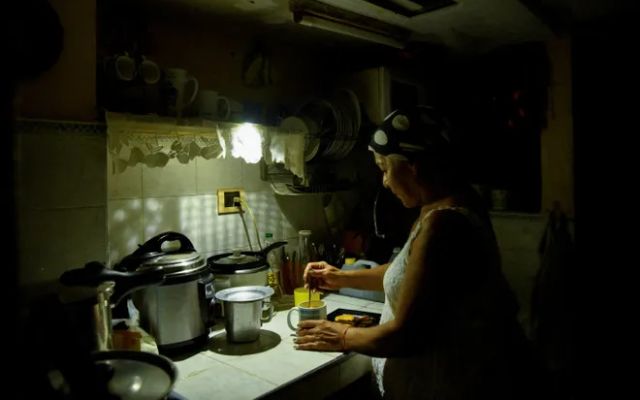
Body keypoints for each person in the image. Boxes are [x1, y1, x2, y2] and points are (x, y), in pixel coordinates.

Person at [298, 105, 547, 399]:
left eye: (385, 168)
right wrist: (339, 278)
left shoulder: (445, 224)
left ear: (412, 164)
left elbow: (406, 336)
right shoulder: (443, 207)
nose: (386, 182)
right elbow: (408, 275)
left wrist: (340, 335)